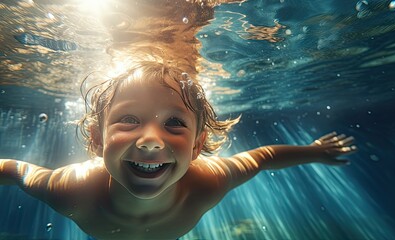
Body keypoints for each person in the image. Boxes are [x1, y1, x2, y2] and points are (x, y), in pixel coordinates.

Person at [0, 61, 357, 240]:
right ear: (97, 138)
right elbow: (18, 171)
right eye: (128, 119)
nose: (152, 140)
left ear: (198, 146)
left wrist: (313, 152)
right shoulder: (72, 189)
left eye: (174, 123)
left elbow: (261, 158)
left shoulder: (207, 183)